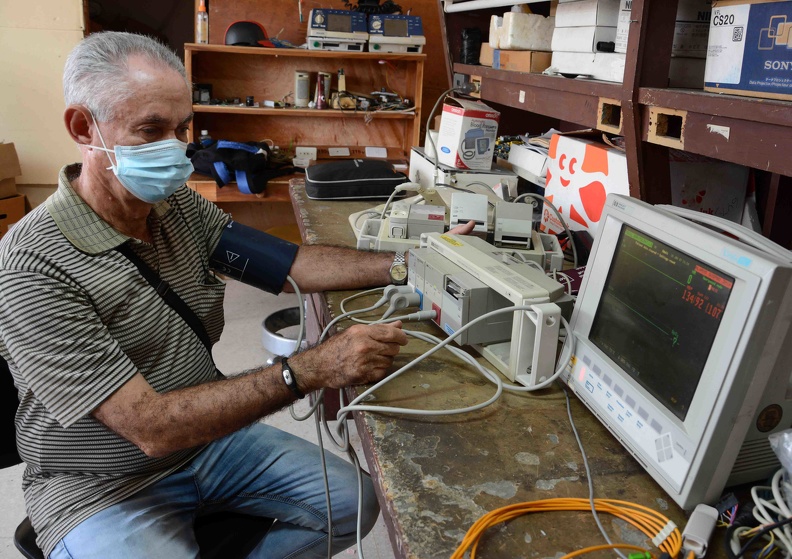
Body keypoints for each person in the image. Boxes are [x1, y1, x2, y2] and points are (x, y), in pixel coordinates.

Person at [0, 31, 474, 559]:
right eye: (150, 130)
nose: (175, 151)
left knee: (357, 501)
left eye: (180, 129)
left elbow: (290, 262)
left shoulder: (176, 206)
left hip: (206, 445)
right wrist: (310, 368)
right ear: (83, 128)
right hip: (102, 483)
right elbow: (150, 429)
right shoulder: (33, 264)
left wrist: (410, 265)